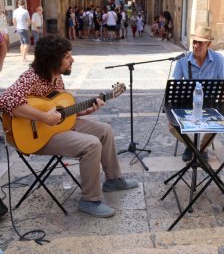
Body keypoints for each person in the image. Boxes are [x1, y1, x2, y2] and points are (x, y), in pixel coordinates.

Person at [0, 35, 138, 217]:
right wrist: (43, 117)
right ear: (52, 60)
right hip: (35, 137)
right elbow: (5, 100)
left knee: (104, 130)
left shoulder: (56, 78)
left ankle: (113, 179)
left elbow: (61, 112)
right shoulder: (31, 77)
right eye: (67, 57)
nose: (72, 60)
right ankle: (90, 200)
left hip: (57, 128)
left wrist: (84, 111)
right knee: (91, 144)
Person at [171, 25, 224, 162]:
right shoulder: (183, 59)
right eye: (194, 42)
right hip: (188, 103)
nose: (196, 46)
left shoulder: (218, 59)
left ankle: (201, 148)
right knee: (171, 126)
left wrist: (220, 100)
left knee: (219, 123)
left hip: (210, 103)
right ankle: (193, 146)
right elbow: (175, 83)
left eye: (200, 43)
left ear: (209, 44)